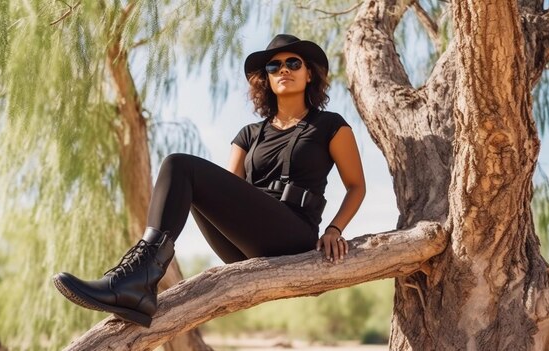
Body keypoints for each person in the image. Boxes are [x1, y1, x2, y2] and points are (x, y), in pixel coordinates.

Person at [53, 34, 366, 327]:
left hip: (294, 235)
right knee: (182, 175)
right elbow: (229, 194)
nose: (284, 70)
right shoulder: (248, 135)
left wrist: (335, 229)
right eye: (274, 66)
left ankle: (138, 280)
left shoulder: (329, 126)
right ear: (267, 80)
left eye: (293, 63)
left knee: (180, 164)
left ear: (309, 74)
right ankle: (139, 278)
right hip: (245, 242)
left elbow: (356, 186)